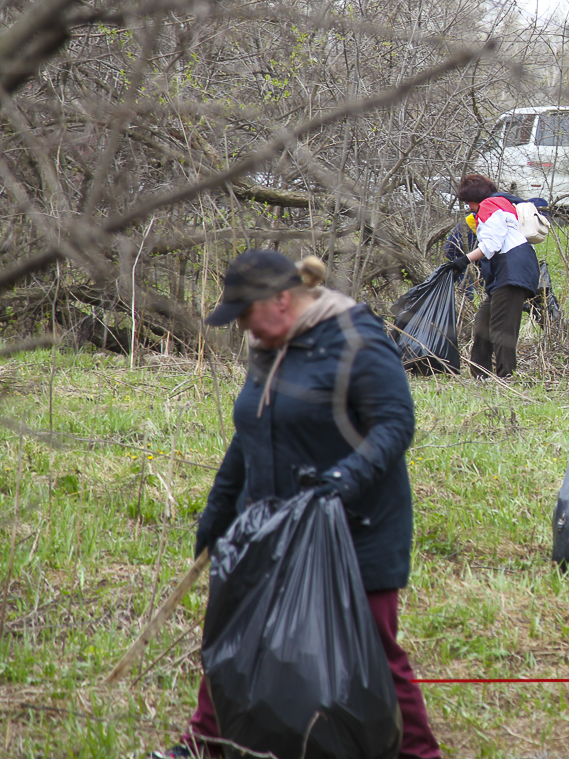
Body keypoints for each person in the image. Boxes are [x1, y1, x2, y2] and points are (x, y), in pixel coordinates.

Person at [160, 250, 438, 759]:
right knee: (236, 635)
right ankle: (203, 745)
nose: (242, 326)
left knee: (373, 651)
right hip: (268, 523)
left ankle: (419, 754)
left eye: (245, 313)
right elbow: (247, 436)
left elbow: (396, 425)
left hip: (356, 526)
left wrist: (340, 482)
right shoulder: (269, 345)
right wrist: (218, 515)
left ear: (281, 300)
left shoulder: (356, 338)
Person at [445, 173, 541, 378]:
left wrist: (464, 260)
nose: (469, 207)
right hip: (508, 273)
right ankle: (481, 375)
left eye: (469, 202)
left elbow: (491, 245)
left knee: (502, 329)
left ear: (475, 199)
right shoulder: (502, 203)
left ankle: (506, 377)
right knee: (483, 324)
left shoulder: (489, 206)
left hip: (512, 272)